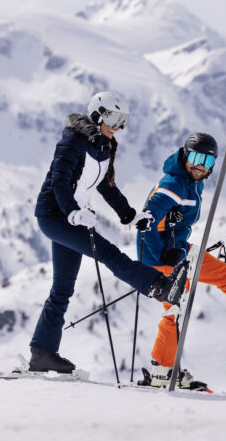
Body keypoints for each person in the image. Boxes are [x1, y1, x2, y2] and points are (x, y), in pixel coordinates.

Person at [29, 91, 190, 373]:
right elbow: (59, 180)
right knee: (109, 253)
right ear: (97, 114)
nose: (118, 126)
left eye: (123, 121)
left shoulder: (104, 146)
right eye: (114, 118)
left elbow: (106, 186)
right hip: (56, 215)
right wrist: (72, 212)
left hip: (74, 217)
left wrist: (130, 216)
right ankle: (158, 285)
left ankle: (42, 353)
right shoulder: (73, 141)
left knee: (63, 287)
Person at [137, 133, 226, 390]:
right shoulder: (172, 185)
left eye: (207, 160)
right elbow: (147, 220)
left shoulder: (192, 182)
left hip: (178, 250)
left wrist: (173, 246)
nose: (200, 165)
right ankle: (163, 370)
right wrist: (161, 254)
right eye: (195, 157)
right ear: (185, 155)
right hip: (162, 257)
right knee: (175, 312)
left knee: (222, 274)